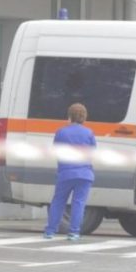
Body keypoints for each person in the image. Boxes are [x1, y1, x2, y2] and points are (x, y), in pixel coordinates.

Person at [43, 103, 97, 241]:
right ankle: (74, 232)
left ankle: (50, 231)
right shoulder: (89, 133)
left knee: (58, 201)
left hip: (66, 173)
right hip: (84, 173)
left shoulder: (61, 132)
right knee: (78, 203)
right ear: (84, 117)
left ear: (69, 116)